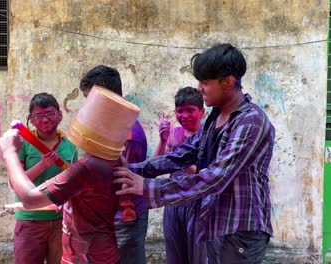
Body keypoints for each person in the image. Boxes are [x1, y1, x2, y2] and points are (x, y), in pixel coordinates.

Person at [114, 43, 275, 264]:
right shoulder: (215, 118)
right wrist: (131, 169)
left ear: (228, 82)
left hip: (240, 230)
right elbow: (180, 156)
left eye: (205, 82)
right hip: (213, 221)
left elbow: (217, 176)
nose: (199, 88)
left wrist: (149, 188)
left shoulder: (251, 121)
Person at [0, 85, 140, 263]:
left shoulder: (86, 167)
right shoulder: (116, 161)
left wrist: (9, 152)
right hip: (104, 251)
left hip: (85, 255)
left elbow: (29, 198)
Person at [79, 65, 149, 264]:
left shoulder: (128, 136)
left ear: (106, 97)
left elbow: (118, 185)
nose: (87, 107)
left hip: (124, 219)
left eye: (89, 99)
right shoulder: (108, 127)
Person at [13, 93, 77, 264]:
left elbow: (77, 184)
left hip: (61, 221)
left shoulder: (71, 147)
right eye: (38, 116)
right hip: (30, 220)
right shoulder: (23, 143)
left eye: (49, 113)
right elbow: (16, 183)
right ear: (31, 120)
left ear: (60, 115)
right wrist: (42, 165)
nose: (45, 119)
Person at [153, 87, 206, 264]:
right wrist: (162, 140)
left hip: (197, 205)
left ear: (202, 112)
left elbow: (207, 174)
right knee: (174, 257)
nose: (184, 116)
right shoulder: (174, 134)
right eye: (180, 111)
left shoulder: (207, 136)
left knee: (197, 257)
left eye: (190, 110)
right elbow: (155, 165)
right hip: (174, 203)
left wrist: (180, 159)